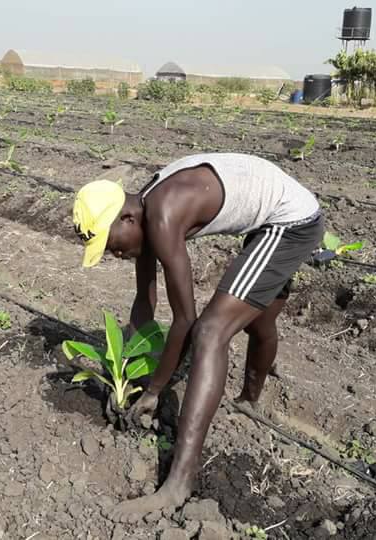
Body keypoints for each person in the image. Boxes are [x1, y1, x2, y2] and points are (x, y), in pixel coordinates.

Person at [72, 153, 324, 522]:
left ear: (126, 218)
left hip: (290, 222)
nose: (116, 252)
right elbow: (144, 301)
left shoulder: (162, 214)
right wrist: (127, 374)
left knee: (210, 331)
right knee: (257, 320)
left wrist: (156, 389)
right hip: (275, 213)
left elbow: (185, 320)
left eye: (111, 243)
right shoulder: (143, 210)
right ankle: (249, 402)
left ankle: (178, 483)